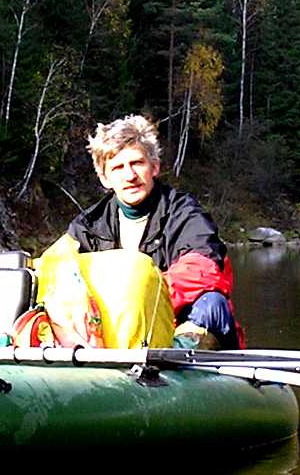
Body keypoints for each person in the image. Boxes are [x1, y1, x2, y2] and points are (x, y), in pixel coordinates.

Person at [65, 114, 239, 348]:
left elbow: (205, 271)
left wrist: (139, 295)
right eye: (118, 167)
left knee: (212, 304)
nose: (130, 176)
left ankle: (177, 356)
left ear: (154, 166)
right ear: (105, 178)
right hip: (115, 327)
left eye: (137, 163)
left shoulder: (185, 213)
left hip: (176, 322)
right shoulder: (86, 226)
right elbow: (60, 277)